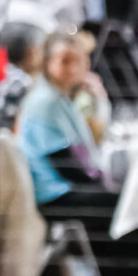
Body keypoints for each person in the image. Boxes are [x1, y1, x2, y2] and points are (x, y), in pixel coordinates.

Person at [18, 30, 116, 225]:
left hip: (66, 187)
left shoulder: (61, 97)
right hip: (54, 195)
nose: (72, 68)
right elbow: (65, 166)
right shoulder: (46, 101)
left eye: (77, 61)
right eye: (65, 61)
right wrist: (102, 186)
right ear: (47, 62)